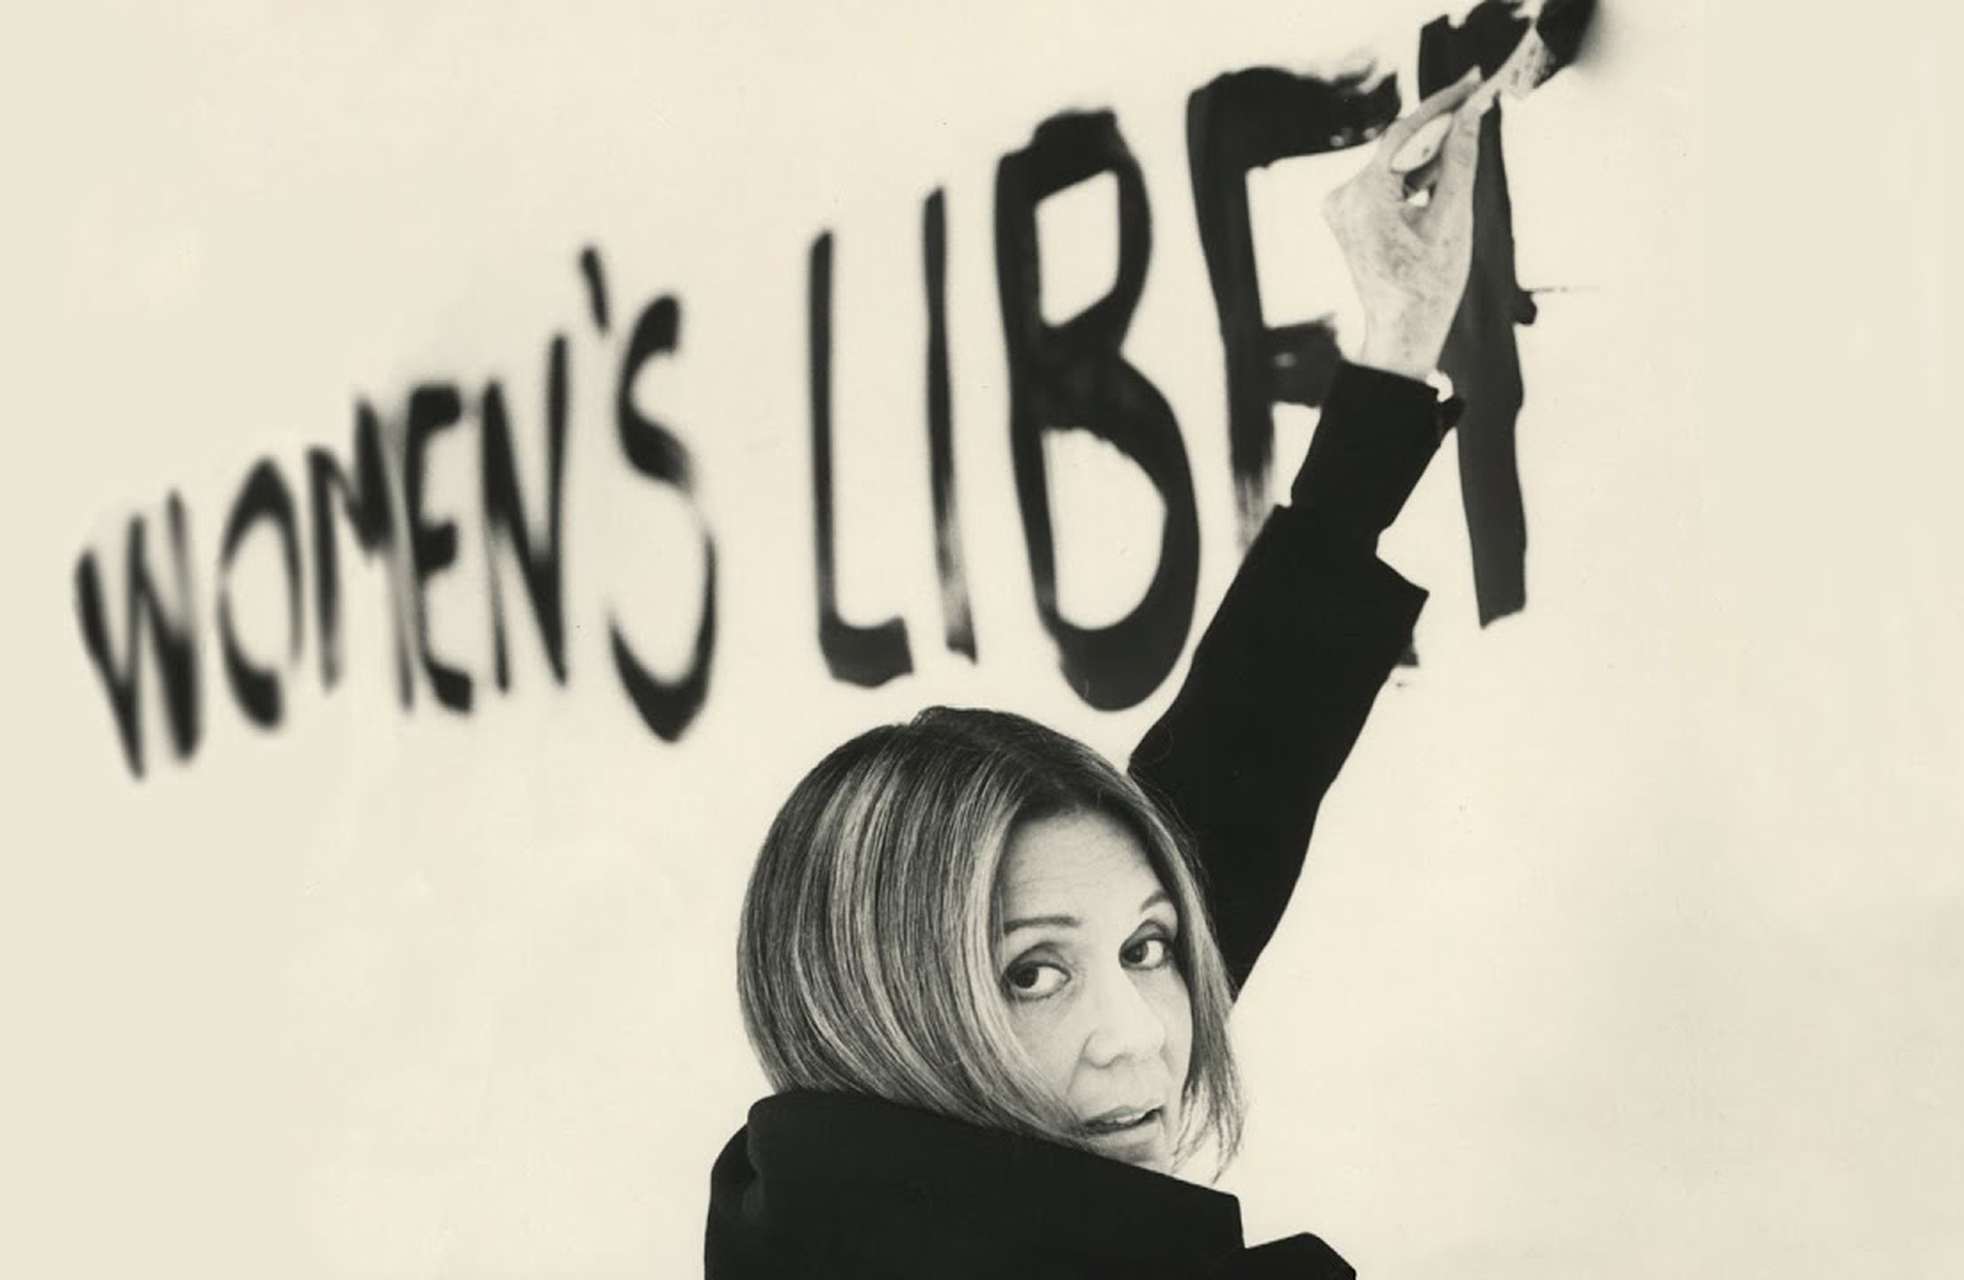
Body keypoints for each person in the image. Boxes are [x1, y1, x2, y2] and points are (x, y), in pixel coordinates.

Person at [706, 71, 1492, 1280]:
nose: (1138, 1041)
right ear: (881, 1007)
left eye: (1147, 949)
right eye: (1030, 973)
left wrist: (1390, 356)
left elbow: (1226, 788)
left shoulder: (816, 1203)